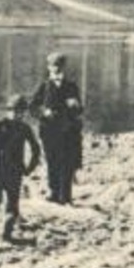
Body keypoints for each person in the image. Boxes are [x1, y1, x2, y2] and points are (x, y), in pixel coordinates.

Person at [0, 95, 43, 250]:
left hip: (15, 173)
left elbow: (36, 149)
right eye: (12, 111)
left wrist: (29, 168)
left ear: (23, 113)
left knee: (12, 206)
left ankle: (7, 235)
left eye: (19, 112)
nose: (15, 114)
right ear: (7, 111)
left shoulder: (24, 128)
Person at [30, 52, 85, 204]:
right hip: (49, 132)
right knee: (52, 161)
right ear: (48, 68)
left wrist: (76, 105)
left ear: (63, 68)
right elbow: (32, 108)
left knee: (67, 163)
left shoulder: (71, 86)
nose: (56, 69)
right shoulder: (44, 86)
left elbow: (80, 110)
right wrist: (44, 112)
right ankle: (53, 192)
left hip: (68, 132)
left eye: (59, 66)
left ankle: (66, 196)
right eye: (53, 66)